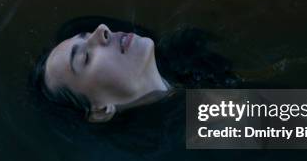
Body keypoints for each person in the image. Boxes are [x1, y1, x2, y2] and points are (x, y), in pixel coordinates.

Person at [32, 16, 240, 123]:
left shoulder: (192, 51)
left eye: (87, 35)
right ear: (102, 110)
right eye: (85, 57)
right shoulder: (202, 132)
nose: (102, 29)